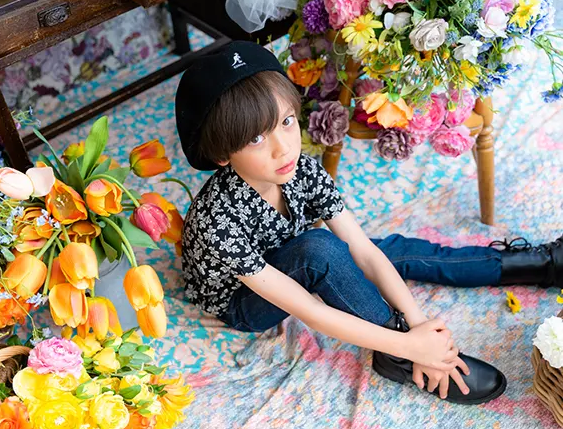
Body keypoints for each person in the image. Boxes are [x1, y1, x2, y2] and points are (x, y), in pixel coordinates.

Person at [174, 41, 563, 405]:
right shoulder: (217, 222)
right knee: (320, 251)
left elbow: (364, 250)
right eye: (257, 139)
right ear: (222, 155)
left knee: (386, 251)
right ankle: (398, 355)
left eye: (287, 122)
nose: (283, 147)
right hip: (244, 301)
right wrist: (412, 345)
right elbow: (310, 311)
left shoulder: (299, 168)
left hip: (289, 252)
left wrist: (421, 324)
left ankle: (538, 264)